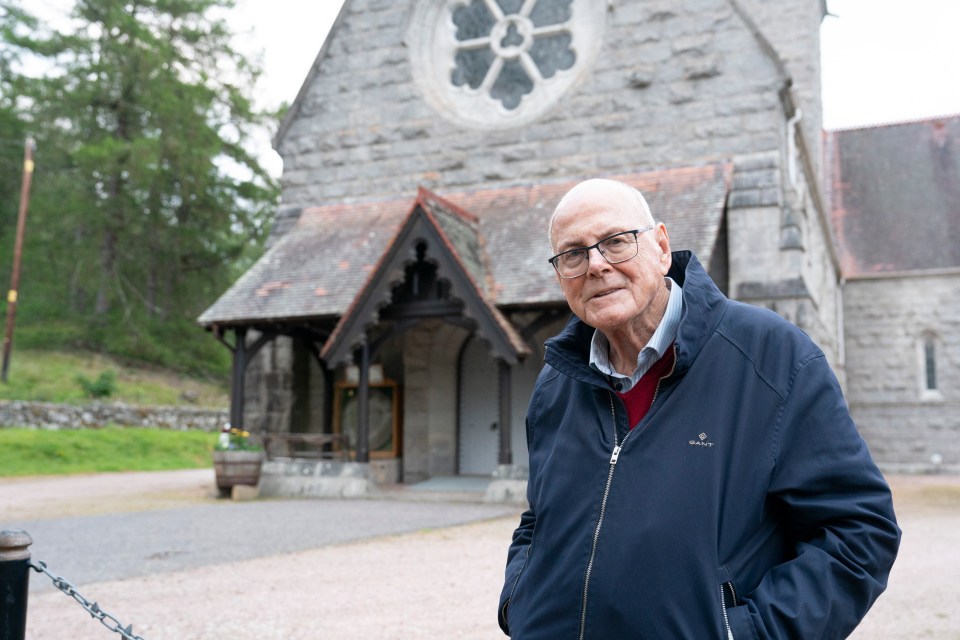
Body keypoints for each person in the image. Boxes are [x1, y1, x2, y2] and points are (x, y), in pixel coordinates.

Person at [497, 179, 900, 639]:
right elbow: (539, 518)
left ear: (661, 247)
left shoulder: (771, 356)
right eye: (573, 253)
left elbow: (858, 532)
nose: (595, 264)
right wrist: (519, 602)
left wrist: (743, 633)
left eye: (615, 242)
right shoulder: (557, 381)